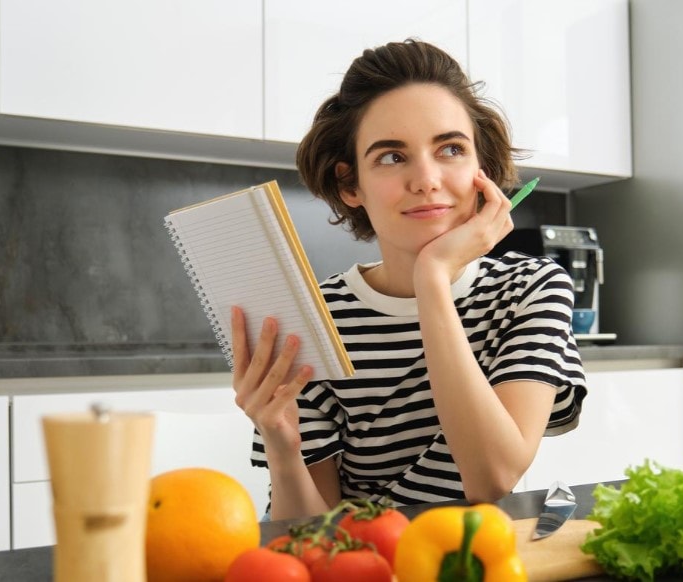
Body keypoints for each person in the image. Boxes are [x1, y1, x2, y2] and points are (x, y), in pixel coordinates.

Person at [231, 39, 587, 521]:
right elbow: (311, 533)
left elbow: (491, 477)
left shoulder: (531, 288)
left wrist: (433, 278)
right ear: (349, 185)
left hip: (474, 556)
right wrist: (281, 443)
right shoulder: (316, 317)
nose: (426, 179)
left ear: (481, 170)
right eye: (392, 157)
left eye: (451, 149)